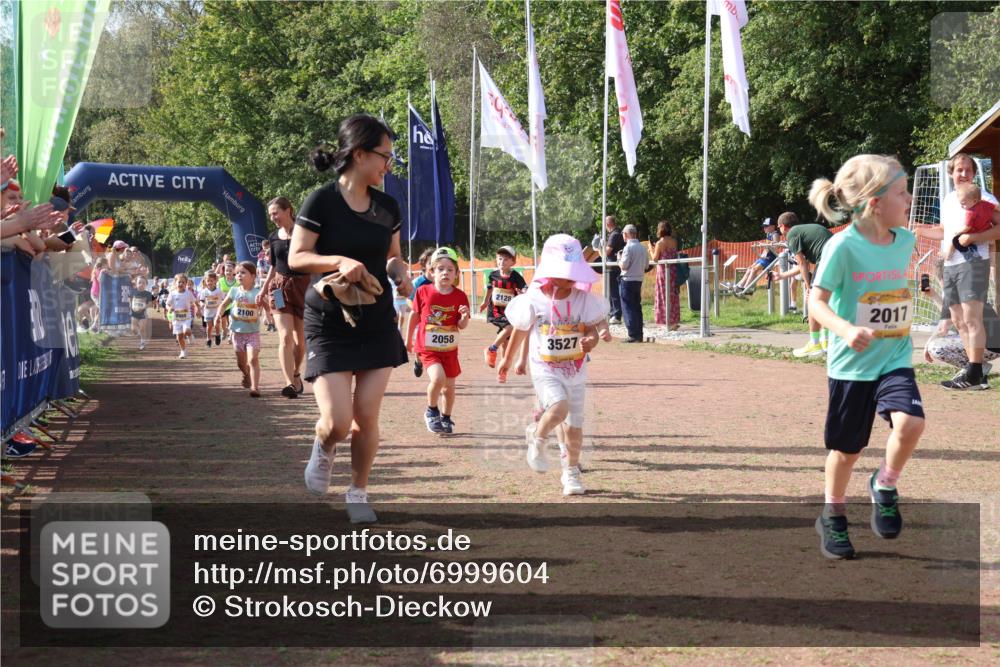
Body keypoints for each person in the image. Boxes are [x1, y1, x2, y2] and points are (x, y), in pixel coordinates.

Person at [289, 113, 412, 524]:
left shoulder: (388, 205)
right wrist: (339, 260)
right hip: (328, 319)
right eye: (384, 156)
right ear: (359, 154)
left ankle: (358, 491)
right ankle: (324, 447)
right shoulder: (321, 201)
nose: (388, 165)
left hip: (376, 319)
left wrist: (402, 275)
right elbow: (297, 258)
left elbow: (393, 257)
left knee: (366, 417)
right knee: (338, 422)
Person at [807, 154, 925, 560]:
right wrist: (844, 329)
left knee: (911, 424)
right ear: (875, 202)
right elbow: (816, 302)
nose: (909, 199)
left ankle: (885, 485)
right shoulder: (842, 246)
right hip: (851, 366)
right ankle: (833, 515)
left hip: (894, 357)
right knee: (847, 451)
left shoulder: (905, 240)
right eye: (901, 192)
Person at [498, 234, 610, 496]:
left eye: (574, 272)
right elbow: (521, 329)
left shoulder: (583, 298)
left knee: (574, 427)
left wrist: (591, 341)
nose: (571, 278)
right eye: (565, 272)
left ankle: (570, 474)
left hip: (576, 370)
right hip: (545, 369)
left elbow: (591, 330)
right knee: (558, 407)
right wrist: (508, 358)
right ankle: (538, 436)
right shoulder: (534, 298)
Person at [915, 154, 1000, 390]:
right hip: (950, 265)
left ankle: (973, 372)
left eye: (968, 170)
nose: (963, 174)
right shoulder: (949, 199)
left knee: (972, 318)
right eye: (959, 170)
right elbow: (945, 231)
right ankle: (976, 372)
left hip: (973, 263)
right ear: (951, 173)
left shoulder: (983, 198)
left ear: (974, 173)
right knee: (958, 319)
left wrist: (973, 237)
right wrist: (921, 231)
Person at [406, 247, 470, 435]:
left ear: (457, 274)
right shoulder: (423, 291)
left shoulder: (460, 296)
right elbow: (415, 315)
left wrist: (464, 318)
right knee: (438, 378)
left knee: (449, 387)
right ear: (431, 272)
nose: (445, 273)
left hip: (450, 349)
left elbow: (462, 325)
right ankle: (431, 411)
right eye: (440, 269)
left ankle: (446, 417)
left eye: (450, 269)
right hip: (428, 348)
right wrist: (408, 340)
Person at [259, 196, 310, 398]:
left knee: (300, 342)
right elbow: (273, 267)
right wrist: (263, 290)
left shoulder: (305, 233)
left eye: (275, 213)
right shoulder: (273, 237)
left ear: (288, 210)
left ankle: (296, 372)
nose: (273, 218)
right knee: (285, 337)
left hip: (303, 288)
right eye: (270, 214)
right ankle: (289, 382)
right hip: (279, 289)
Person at [773, 212, 833, 357]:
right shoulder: (805, 230)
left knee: (813, 301)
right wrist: (782, 275)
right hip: (838, 258)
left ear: (782, 226)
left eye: (779, 228)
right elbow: (802, 265)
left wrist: (808, 288)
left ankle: (814, 344)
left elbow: (801, 263)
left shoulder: (792, 235)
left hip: (827, 260)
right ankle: (826, 342)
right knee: (824, 301)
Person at [215, 261, 265, 398]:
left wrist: (271, 317)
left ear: (253, 276)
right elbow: (224, 304)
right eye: (237, 273)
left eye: (243, 272)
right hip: (237, 334)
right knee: (241, 363)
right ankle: (246, 374)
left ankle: (255, 387)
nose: (238, 275)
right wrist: (218, 316)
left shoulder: (257, 293)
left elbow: (266, 305)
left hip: (253, 333)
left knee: (253, 359)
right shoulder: (234, 291)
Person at [480, 245, 527, 368]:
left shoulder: (516, 276)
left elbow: (524, 288)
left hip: (510, 312)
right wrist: (485, 302)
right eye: (500, 258)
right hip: (496, 311)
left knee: (505, 342)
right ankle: (491, 349)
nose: (502, 262)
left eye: (506, 259)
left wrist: (524, 292)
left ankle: (503, 368)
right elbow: (490, 290)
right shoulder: (493, 275)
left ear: (513, 262)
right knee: (510, 328)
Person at [943, 182, 999, 260]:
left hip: (975, 236)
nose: (962, 206)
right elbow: (996, 207)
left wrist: (958, 232)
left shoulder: (970, 212)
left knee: (955, 240)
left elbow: (967, 227)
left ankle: (948, 255)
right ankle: (993, 266)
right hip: (987, 233)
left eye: (963, 203)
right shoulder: (985, 203)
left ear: (974, 201)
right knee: (992, 245)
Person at [618, 224, 648, 343]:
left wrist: (619, 259)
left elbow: (624, 265)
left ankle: (632, 334)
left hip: (627, 280)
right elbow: (646, 265)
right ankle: (639, 334)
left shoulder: (628, 247)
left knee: (628, 307)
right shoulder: (642, 247)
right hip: (638, 279)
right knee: (636, 307)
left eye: (623, 235)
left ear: (626, 234)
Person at [408, 247, 435, 378]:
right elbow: (409, 299)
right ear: (425, 265)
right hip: (420, 320)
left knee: (433, 346)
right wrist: (416, 309)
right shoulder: (418, 282)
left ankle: (436, 370)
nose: (434, 266)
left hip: (436, 321)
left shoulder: (441, 280)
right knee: (420, 345)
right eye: (431, 263)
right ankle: (418, 361)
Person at [734, 219, 782, 293]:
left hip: (770, 258)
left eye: (766, 226)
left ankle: (746, 288)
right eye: (764, 226)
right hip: (765, 257)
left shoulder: (775, 234)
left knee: (754, 269)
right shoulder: (768, 234)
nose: (764, 228)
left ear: (773, 226)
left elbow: (776, 247)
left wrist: (765, 245)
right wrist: (762, 252)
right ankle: (740, 285)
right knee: (750, 268)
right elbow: (767, 248)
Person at [652, 221, 680, 330]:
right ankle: (673, 321)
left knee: (662, 295)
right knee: (672, 295)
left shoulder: (660, 243)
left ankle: (664, 321)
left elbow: (655, 258)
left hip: (663, 271)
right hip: (673, 270)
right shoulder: (674, 241)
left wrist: (651, 248)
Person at [166, 273, 200, 359]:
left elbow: (195, 302)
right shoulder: (172, 294)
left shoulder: (188, 293)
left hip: (186, 317)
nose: (181, 284)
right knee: (179, 337)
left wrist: (198, 310)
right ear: (175, 283)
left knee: (186, 331)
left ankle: (190, 335)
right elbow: (167, 304)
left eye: (183, 282)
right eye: (179, 282)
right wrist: (169, 308)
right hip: (176, 319)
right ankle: (183, 351)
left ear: (186, 284)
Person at [603, 215, 626, 323]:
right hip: (616, 265)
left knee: (614, 291)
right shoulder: (619, 233)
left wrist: (600, 247)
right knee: (614, 291)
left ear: (608, 224)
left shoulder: (614, 235)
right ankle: (614, 313)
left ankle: (616, 314)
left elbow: (607, 251)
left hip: (613, 267)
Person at [199, 271, 224, 347]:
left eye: (211, 281)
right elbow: (201, 300)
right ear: (205, 281)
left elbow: (223, 300)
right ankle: (208, 339)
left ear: (215, 281)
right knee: (209, 327)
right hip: (208, 311)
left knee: (216, 325)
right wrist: (202, 304)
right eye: (208, 281)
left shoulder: (219, 291)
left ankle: (217, 335)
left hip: (216, 311)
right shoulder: (204, 291)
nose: (209, 282)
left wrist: (222, 306)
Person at [130, 276, 155, 350]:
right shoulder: (133, 292)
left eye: (143, 283)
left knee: (142, 328)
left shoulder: (148, 294)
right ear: (136, 284)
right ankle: (138, 333)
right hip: (134, 313)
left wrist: (144, 307)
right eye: (139, 282)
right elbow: (130, 301)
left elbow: (150, 304)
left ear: (146, 284)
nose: (141, 284)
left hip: (144, 313)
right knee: (133, 329)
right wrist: (130, 306)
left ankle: (142, 343)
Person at [217, 262, 237, 342]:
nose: (228, 272)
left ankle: (231, 336)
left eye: (230, 270)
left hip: (234, 305)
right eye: (226, 270)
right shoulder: (221, 281)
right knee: (223, 321)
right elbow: (218, 293)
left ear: (234, 271)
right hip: (223, 305)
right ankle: (224, 331)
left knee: (232, 321)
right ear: (224, 272)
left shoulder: (237, 282)